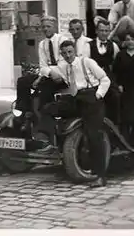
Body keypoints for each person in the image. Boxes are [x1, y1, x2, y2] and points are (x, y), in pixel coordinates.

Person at [36, 40, 111, 187]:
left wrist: (98, 95)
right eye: (64, 53)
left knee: (93, 135)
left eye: (70, 52)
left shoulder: (86, 62)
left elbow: (105, 79)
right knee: (48, 109)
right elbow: (45, 69)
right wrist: (48, 73)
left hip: (91, 98)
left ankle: (100, 176)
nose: (67, 55)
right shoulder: (63, 66)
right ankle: (48, 141)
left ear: (74, 51)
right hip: (76, 99)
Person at [15, 16, 67, 114]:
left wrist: (48, 72)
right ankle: (23, 110)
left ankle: (46, 113)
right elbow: (42, 66)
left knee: (44, 89)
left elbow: (64, 63)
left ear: (54, 27)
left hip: (62, 76)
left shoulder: (63, 40)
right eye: (43, 27)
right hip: (49, 76)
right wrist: (41, 77)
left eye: (48, 26)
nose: (45, 29)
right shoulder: (42, 44)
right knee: (22, 81)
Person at [83, 17, 121, 124]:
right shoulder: (88, 46)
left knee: (115, 98)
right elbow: (85, 64)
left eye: (106, 31)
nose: (104, 33)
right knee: (95, 101)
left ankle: (113, 126)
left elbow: (116, 63)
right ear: (96, 31)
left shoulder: (113, 45)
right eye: (101, 30)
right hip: (93, 79)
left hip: (108, 78)